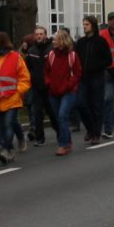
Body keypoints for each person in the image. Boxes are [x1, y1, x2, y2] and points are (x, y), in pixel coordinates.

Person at [0, 32, 31, 164]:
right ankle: (10, 148)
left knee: (8, 124)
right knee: (1, 126)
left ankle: (6, 149)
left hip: (12, 99)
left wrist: (18, 91)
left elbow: (25, 78)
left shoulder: (15, 57)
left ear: (3, 42)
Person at [74, 15, 111, 145]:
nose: (84, 27)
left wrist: (96, 67)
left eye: (87, 24)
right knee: (80, 103)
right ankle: (90, 128)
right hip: (83, 78)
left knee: (96, 105)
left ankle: (96, 133)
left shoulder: (101, 41)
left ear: (93, 26)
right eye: (83, 24)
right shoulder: (80, 42)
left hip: (97, 78)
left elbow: (108, 60)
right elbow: (76, 59)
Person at [45, 28, 82, 156]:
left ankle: (63, 144)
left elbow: (77, 74)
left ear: (62, 41)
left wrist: (68, 85)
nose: (53, 41)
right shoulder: (51, 55)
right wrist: (49, 83)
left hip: (68, 92)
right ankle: (68, 140)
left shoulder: (72, 56)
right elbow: (47, 72)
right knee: (58, 118)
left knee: (62, 116)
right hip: (53, 93)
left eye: (55, 39)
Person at [22, 26, 58, 146]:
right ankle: (40, 138)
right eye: (37, 34)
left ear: (45, 35)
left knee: (52, 112)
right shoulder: (31, 51)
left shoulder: (52, 49)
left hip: (49, 86)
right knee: (37, 113)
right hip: (36, 86)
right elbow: (27, 68)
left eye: (41, 34)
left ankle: (60, 133)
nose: (39, 36)